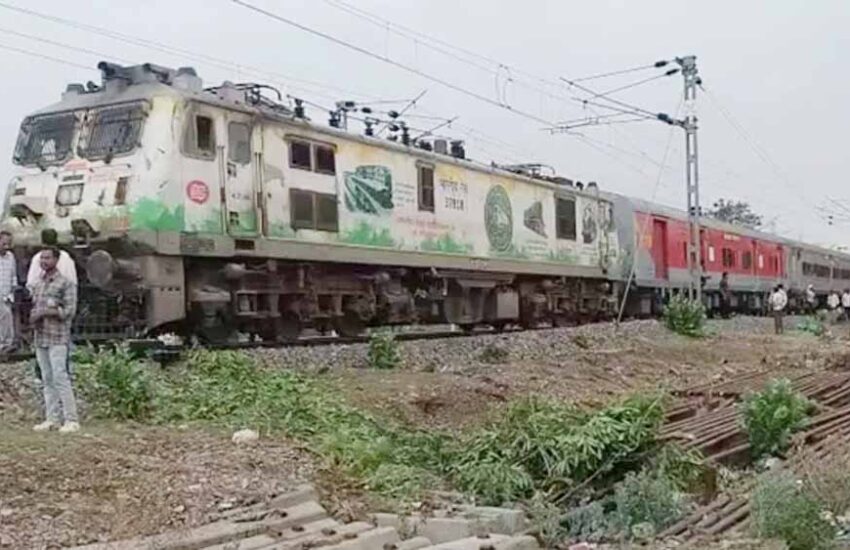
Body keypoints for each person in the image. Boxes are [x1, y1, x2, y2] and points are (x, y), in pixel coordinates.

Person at [30, 247, 79, 433]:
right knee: (46, 378)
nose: (44, 261)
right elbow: (34, 306)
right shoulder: (38, 283)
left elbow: (69, 311)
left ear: (56, 260)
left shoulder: (65, 284)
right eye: (42, 258)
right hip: (40, 336)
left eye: (48, 258)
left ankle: (71, 419)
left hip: (57, 336)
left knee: (60, 377)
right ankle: (52, 418)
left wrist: (46, 312)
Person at [0, 231, 17, 353]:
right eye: (4, 244)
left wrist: (13, 288)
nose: (6, 247)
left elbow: (13, 274)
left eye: (8, 244)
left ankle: (6, 345)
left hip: (7, 295)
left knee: (7, 320)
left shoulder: (10, 256)